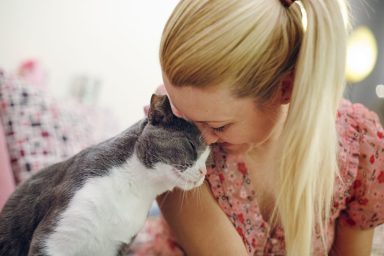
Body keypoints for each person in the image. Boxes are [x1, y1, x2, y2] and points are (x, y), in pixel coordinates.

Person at [134, 0, 384, 255]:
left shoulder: (360, 147)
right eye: (181, 111)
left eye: (218, 126)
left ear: (286, 88)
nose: (199, 138)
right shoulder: (169, 142)